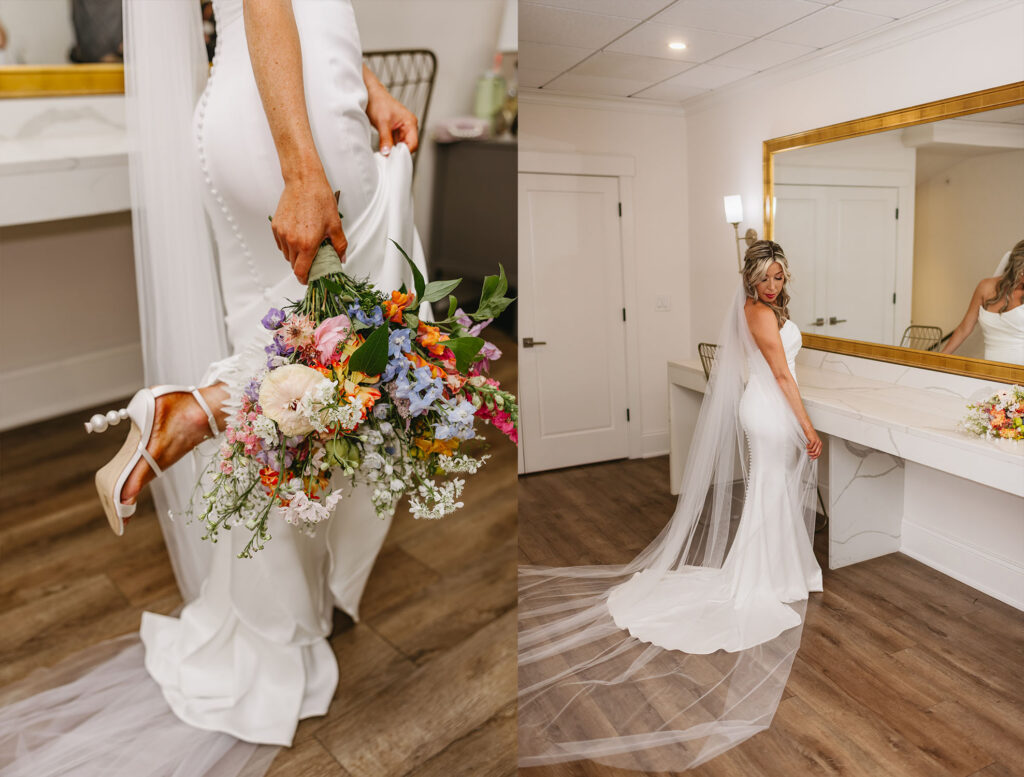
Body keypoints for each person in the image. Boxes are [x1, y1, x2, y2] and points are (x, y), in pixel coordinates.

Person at [0, 1, 428, 773]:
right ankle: (201, 416)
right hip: (294, 124)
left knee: (301, 366)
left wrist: (370, 88)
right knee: (356, 357)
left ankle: (201, 412)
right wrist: (303, 169)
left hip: (257, 106)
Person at [518, 240, 823, 772]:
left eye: (779, 276)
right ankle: (765, 578)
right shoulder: (758, 312)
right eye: (766, 277)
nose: (773, 285)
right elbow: (779, 374)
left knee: (768, 495)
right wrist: (808, 425)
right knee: (771, 492)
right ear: (750, 278)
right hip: (773, 408)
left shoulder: (762, 309)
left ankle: (779, 572)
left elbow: (777, 369)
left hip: (767, 405)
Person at [941, 239, 1024, 365]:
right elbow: (964, 328)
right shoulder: (985, 287)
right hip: (989, 370)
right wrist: (940, 357)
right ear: (1017, 267)